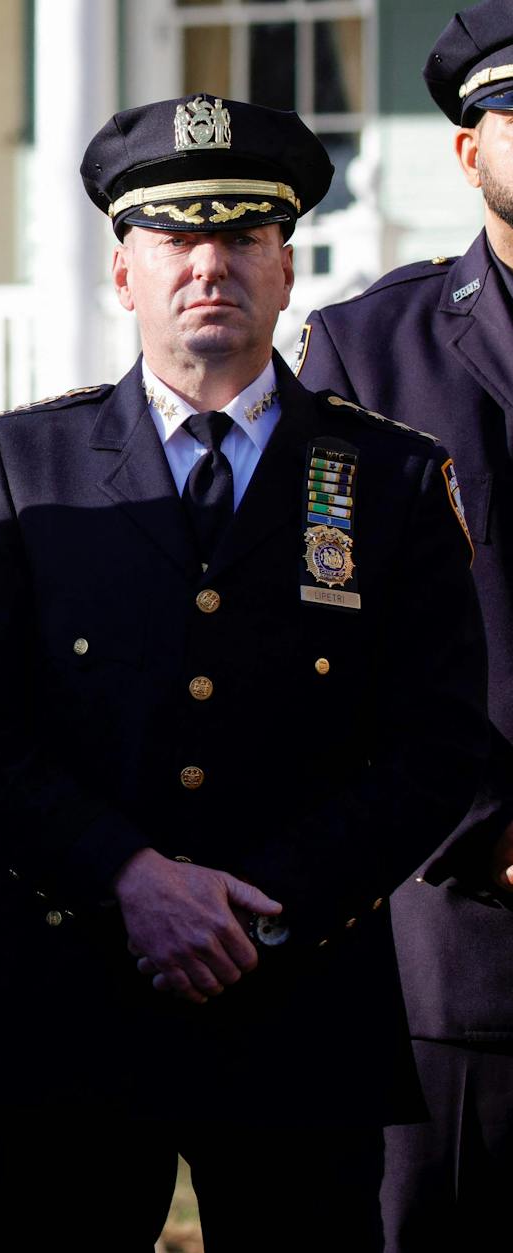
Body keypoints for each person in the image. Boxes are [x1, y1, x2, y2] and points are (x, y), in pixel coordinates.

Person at [0, 96, 492, 1249]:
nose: (208, 265)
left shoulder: (381, 476)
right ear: (122, 273)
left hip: (300, 1015)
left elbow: (435, 746)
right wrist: (129, 879)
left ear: (285, 270)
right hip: (67, 1011)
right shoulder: (26, 467)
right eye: (174, 237)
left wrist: (258, 907)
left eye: (240, 236)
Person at [296, 4, 513, 1243]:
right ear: (463, 151)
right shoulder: (361, 354)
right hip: (455, 940)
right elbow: (326, 620)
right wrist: (479, 819)